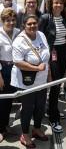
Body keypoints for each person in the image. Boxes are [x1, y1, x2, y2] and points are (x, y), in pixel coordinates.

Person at [11, 14, 50, 148]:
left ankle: (37, 128)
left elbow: (46, 57)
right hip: (26, 81)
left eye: (35, 23)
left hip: (42, 79)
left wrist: (47, 73)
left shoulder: (41, 35)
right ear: (24, 26)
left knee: (40, 106)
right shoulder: (19, 41)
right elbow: (17, 62)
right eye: (29, 24)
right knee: (27, 108)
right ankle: (25, 134)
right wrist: (36, 68)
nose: (32, 26)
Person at [38, 0, 66, 133]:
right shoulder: (45, 18)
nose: (58, 5)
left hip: (63, 52)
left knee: (58, 83)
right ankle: (53, 117)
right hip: (52, 52)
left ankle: (52, 109)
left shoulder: (65, 18)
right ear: (50, 4)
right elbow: (38, 37)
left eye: (61, 3)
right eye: (55, 3)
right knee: (55, 84)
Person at [0, 8, 19, 143]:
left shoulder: (19, 33)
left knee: (9, 101)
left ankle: (5, 126)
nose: (11, 23)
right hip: (3, 70)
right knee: (1, 101)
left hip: (15, 69)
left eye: (13, 20)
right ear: (2, 21)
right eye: (8, 20)